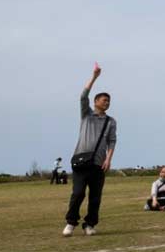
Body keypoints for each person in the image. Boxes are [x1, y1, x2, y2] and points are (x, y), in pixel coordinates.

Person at [63, 64, 117, 237]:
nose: (106, 103)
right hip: (80, 161)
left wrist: (108, 159)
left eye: (108, 101)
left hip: (98, 164)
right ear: (95, 102)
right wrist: (94, 76)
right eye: (103, 100)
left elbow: (112, 140)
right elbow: (83, 96)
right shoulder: (86, 115)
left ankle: (90, 224)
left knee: (95, 197)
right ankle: (71, 222)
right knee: (77, 194)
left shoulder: (111, 121)